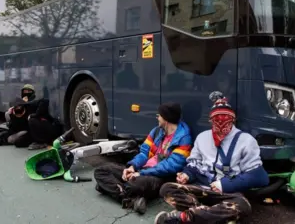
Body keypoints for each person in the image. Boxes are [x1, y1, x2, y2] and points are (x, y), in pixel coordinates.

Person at [155, 92, 269, 224]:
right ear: (210, 121)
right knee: (167, 189)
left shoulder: (246, 141)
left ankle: (186, 217)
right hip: (200, 188)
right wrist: (187, 174)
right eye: (216, 121)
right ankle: (205, 214)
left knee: (242, 206)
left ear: (233, 120)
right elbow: (194, 164)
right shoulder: (202, 137)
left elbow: (259, 177)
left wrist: (225, 184)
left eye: (225, 120)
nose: (220, 125)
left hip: (227, 193)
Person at [93, 102, 192, 215]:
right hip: (142, 171)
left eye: (159, 115)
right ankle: (130, 200)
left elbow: (170, 166)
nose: (157, 117)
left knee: (134, 184)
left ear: (166, 118)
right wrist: (132, 167)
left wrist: (142, 173)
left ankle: (110, 189)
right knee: (101, 171)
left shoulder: (184, 138)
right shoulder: (156, 131)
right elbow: (144, 153)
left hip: (159, 176)